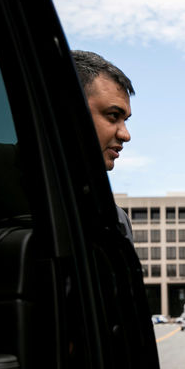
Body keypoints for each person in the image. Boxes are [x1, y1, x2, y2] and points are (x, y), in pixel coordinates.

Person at [71, 50, 135, 242]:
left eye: (125, 120)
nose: (126, 135)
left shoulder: (118, 220)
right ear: (69, 109)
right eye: (113, 115)